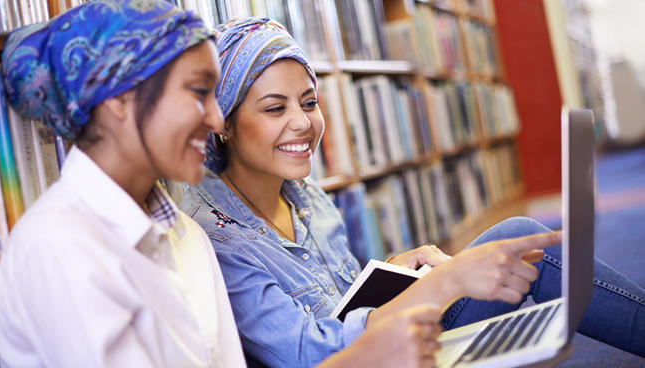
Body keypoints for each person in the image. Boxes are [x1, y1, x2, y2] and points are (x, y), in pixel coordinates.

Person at [0, 2, 443, 367]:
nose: (213, 119)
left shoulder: (185, 238)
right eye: (197, 92)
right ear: (119, 102)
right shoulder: (58, 247)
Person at [180, 16, 645, 367]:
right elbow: (309, 354)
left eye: (309, 102)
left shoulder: (305, 195)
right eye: (274, 107)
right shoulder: (217, 239)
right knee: (519, 242)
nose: (302, 122)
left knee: (524, 250)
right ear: (224, 124)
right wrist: (447, 283)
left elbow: (341, 307)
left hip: (393, 344)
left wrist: (389, 275)